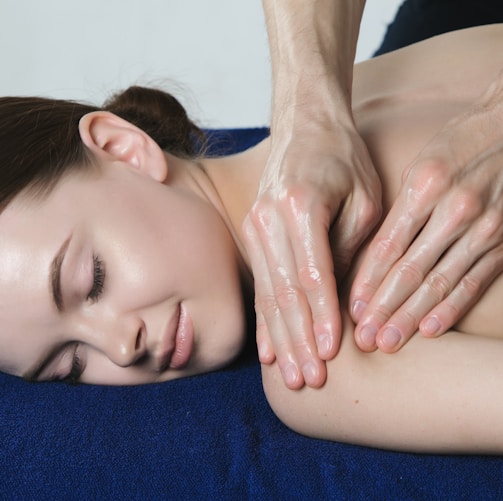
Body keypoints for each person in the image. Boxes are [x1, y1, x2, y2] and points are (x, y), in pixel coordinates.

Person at [0, 25, 503, 452]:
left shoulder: (316, 361)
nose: (121, 346)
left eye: (93, 280)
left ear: (124, 148)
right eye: (71, 364)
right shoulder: (356, 83)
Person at [254, 0, 503, 390]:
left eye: (116, 278)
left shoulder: (311, 374)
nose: (123, 347)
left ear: (124, 149)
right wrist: (308, 112)